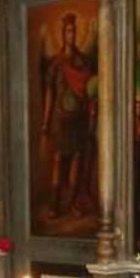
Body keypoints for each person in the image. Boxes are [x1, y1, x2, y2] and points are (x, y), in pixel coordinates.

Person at [39, 13, 97, 217]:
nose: (71, 35)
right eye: (68, 31)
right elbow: (50, 93)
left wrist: (92, 115)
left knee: (77, 159)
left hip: (78, 118)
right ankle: (54, 204)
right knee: (58, 159)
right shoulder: (56, 63)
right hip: (60, 119)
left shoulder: (82, 61)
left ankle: (72, 203)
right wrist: (45, 122)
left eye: (73, 31)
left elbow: (90, 90)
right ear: (63, 34)